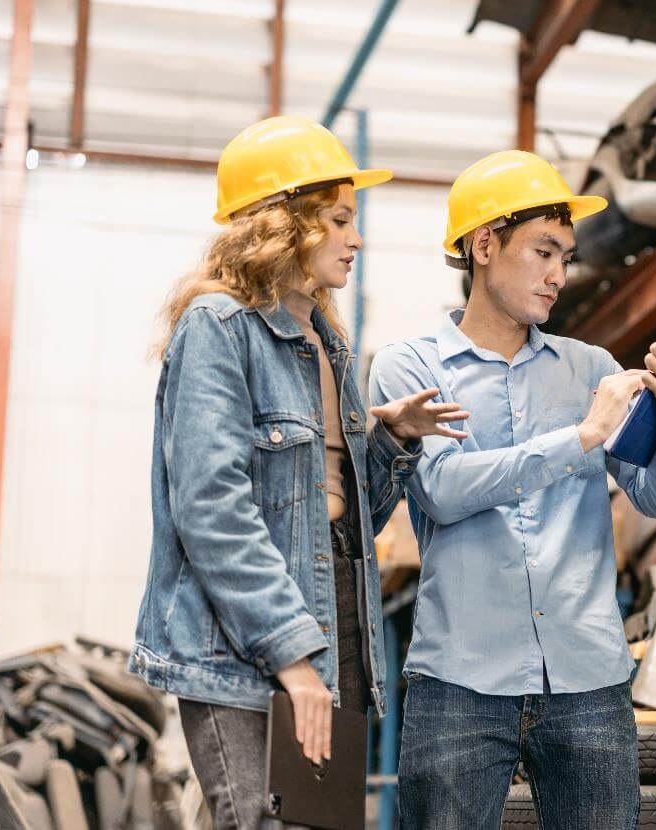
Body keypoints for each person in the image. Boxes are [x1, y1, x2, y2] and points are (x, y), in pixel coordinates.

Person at [129, 116, 466, 830]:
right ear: (283, 224)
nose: (357, 238)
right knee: (260, 821)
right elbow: (213, 510)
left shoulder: (327, 345)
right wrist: (292, 657)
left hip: (333, 625)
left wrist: (391, 443)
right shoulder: (218, 328)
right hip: (243, 646)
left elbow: (342, 523)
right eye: (339, 219)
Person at [369, 150, 656, 829]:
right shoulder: (411, 367)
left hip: (587, 678)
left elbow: (654, 497)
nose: (559, 276)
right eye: (544, 252)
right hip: (461, 680)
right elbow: (440, 489)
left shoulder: (591, 367)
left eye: (566, 257)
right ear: (484, 243)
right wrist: (580, 436)